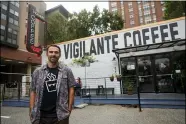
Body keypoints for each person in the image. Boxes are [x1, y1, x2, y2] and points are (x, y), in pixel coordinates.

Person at [29, 45, 76, 124]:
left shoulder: (67, 71)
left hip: (60, 116)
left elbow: (71, 88)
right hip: (40, 115)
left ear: (59, 55)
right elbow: (33, 90)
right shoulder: (38, 71)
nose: (53, 54)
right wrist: (31, 108)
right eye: (51, 52)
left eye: (56, 52)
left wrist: (70, 108)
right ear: (47, 54)